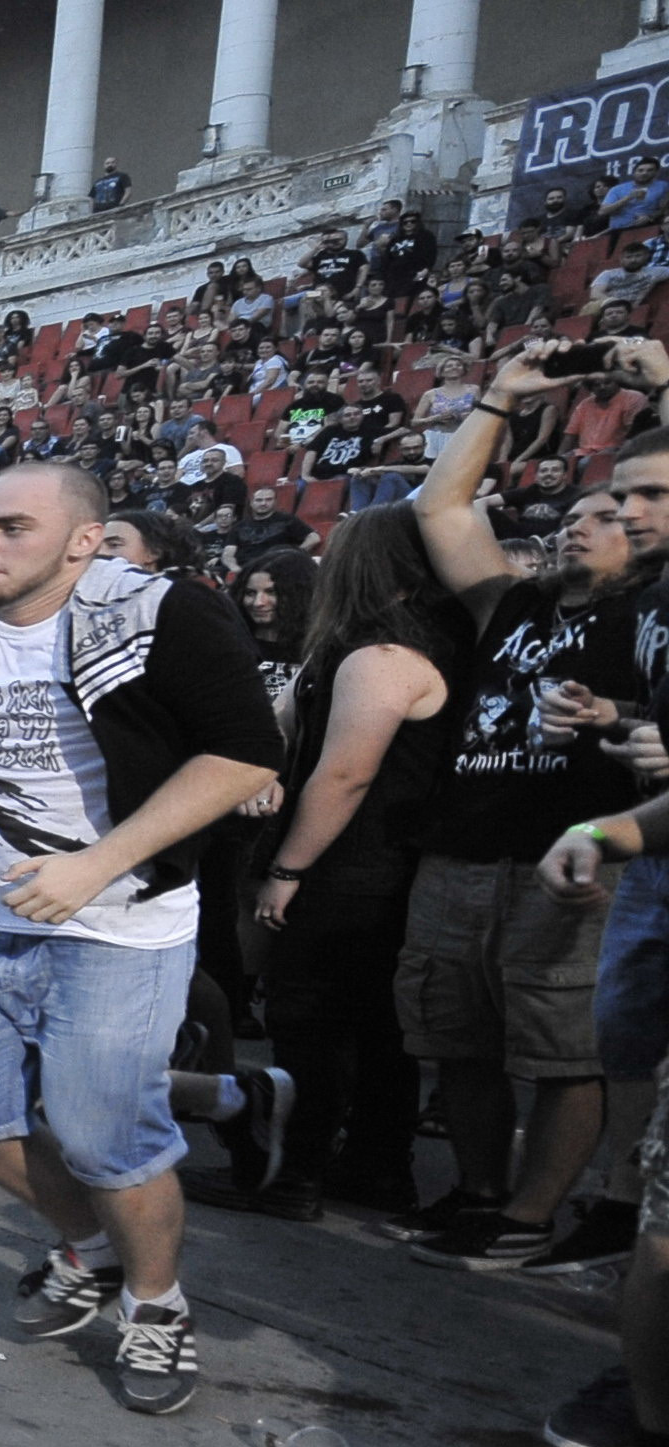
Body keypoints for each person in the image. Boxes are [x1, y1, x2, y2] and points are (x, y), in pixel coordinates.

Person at [0, 464, 283, 1410]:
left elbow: (243, 755)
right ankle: (94, 1250)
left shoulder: (161, 613)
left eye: (12, 527)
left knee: (108, 1141)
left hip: (118, 929)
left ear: (83, 541)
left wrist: (96, 865)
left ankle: (158, 1306)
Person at [391, 368, 650, 1264]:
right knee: (454, 1033)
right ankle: (478, 1191)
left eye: (609, 515)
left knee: (561, 1047)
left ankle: (532, 1216)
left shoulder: (647, 616)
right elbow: (442, 509)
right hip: (463, 847)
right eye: (574, 515)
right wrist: (499, 397)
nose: (581, 522)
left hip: (575, 855)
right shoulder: (515, 604)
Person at [197, 506, 456, 1218]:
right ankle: (369, 1169)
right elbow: (281, 734)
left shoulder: (383, 657)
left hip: (353, 868)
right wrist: (268, 771)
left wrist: (288, 871)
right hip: (366, 865)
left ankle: (295, 1172)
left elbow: (346, 775)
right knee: (368, 1025)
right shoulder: (358, 647)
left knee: (314, 1018)